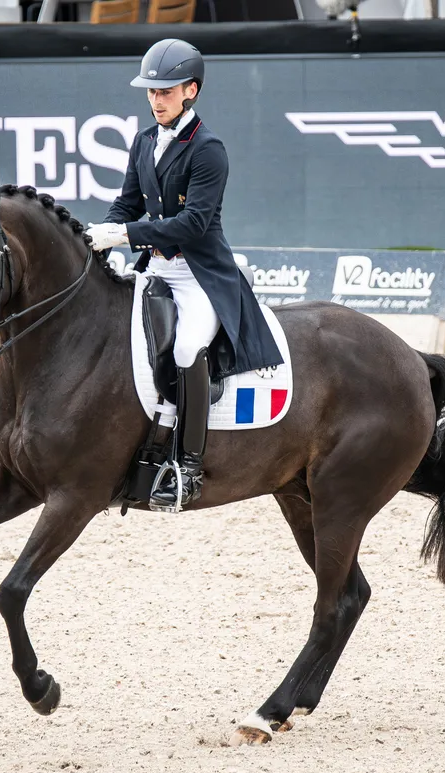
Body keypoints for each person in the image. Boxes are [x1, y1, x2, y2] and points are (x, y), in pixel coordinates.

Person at [86, 38, 284, 509]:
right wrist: (102, 236)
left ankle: (188, 466)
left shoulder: (208, 149)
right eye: (152, 92)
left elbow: (193, 223)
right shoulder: (144, 141)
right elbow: (127, 203)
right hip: (155, 267)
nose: (157, 101)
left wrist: (124, 235)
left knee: (187, 347)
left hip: (199, 274)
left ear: (190, 91)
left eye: (166, 92)